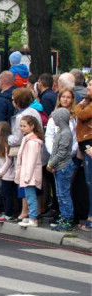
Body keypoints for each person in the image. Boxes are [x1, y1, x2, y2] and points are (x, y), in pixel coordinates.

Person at [45, 108, 76, 232]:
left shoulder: (65, 133)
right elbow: (55, 151)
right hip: (59, 166)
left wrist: (51, 164)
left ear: (61, 118)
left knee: (63, 194)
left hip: (63, 167)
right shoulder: (61, 132)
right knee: (60, 194)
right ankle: (64, 217)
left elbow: (62, 153)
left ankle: (68, 219)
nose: (54, 120)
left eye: (55, 118)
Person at [14, 115, 44, 227]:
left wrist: (27, 176)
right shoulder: (27, 139)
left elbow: (31, 161)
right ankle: (31, 216)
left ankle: (33, 218)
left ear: (32, 126)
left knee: (31, 197)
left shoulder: (32, 142)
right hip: (27, 174)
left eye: (24, 126)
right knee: (29, 196)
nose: (21, 128)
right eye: (21, 126)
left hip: (29, 175)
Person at [74, 80, 92, 231]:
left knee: (91, 183)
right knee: (89, 183)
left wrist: (79, 105)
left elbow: (82, 114)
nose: (88, 87)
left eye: (91, 85)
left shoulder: (87, 106)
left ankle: (91, 218)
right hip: (85, 146)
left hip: (90, 147)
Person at [0, 122, 17, 223]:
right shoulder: (1, 144)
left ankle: (8, 214)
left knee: (7, 194)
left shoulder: (6, 144)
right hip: (5, 174)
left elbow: (9, 161)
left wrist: (1, 171)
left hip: (9, 174)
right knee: (4, 193)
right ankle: (7, 212)